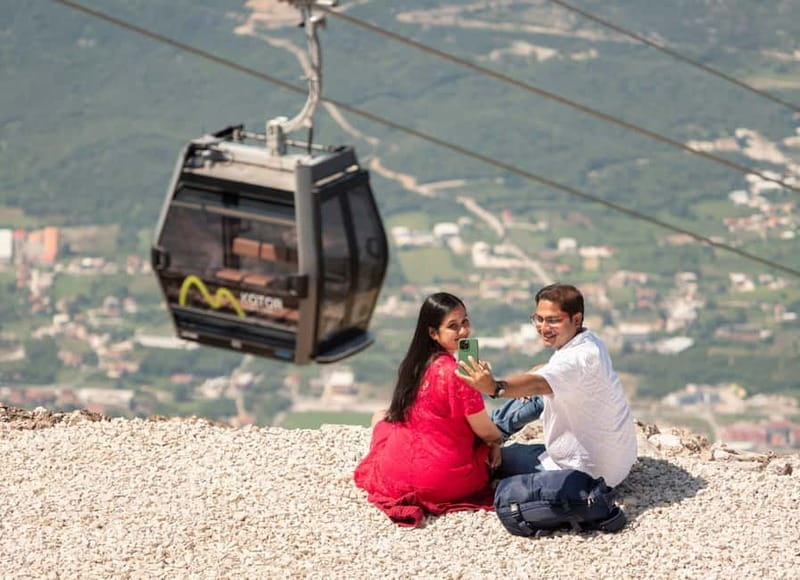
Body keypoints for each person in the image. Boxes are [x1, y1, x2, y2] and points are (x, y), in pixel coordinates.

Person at [458, 283, 637, 488]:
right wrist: (542, 369)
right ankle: (491, 432)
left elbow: (538, 385)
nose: (543, 328)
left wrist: (493, 386)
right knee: (538, 392)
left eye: (553, 320)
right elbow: (555, 375)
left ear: (576, 319)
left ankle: (483, 439)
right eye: (539, 319)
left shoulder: (574, 361)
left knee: (493, 459)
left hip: (585, 473)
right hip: (616, 464)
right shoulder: (591, 342)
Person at [354, 292, 505, 527]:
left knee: (381, 418)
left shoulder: (414, 366)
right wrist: (495, 442)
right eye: (453, 326)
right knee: (490, 444)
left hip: (396, 476)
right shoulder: (461, 375)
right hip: (443, 481)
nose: (463, 331)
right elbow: (485, 430)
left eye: (465, 321)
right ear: (434, 333)